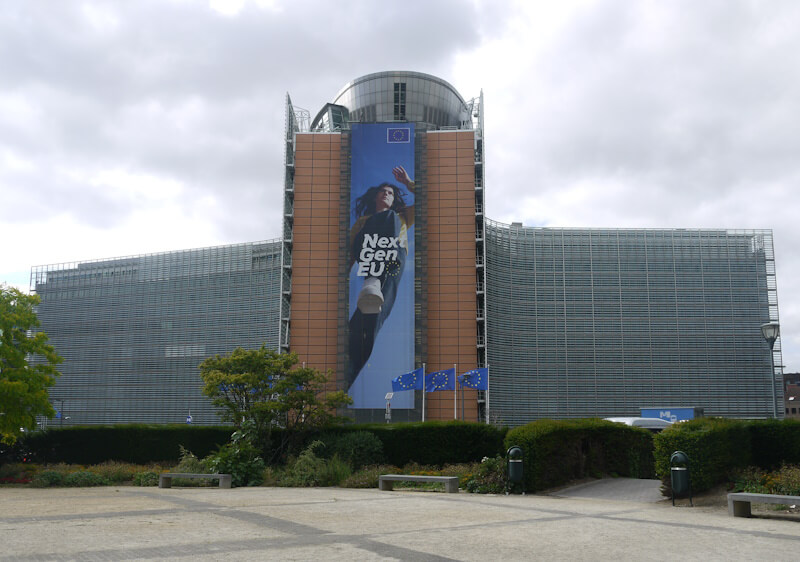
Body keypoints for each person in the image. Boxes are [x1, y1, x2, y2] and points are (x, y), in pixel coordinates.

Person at [347, 165, 415, 388]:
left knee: (374, 316)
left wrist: (407, 182)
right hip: (367, 255)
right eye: (383, 191)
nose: (386, 194)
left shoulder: (402, 217)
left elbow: (431, 198)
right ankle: (372, 280)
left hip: (394, 260)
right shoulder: (363, 222)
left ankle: (373, 282)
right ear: (375, 195)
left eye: (391, 192)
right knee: (359, 329)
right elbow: (348, 254)